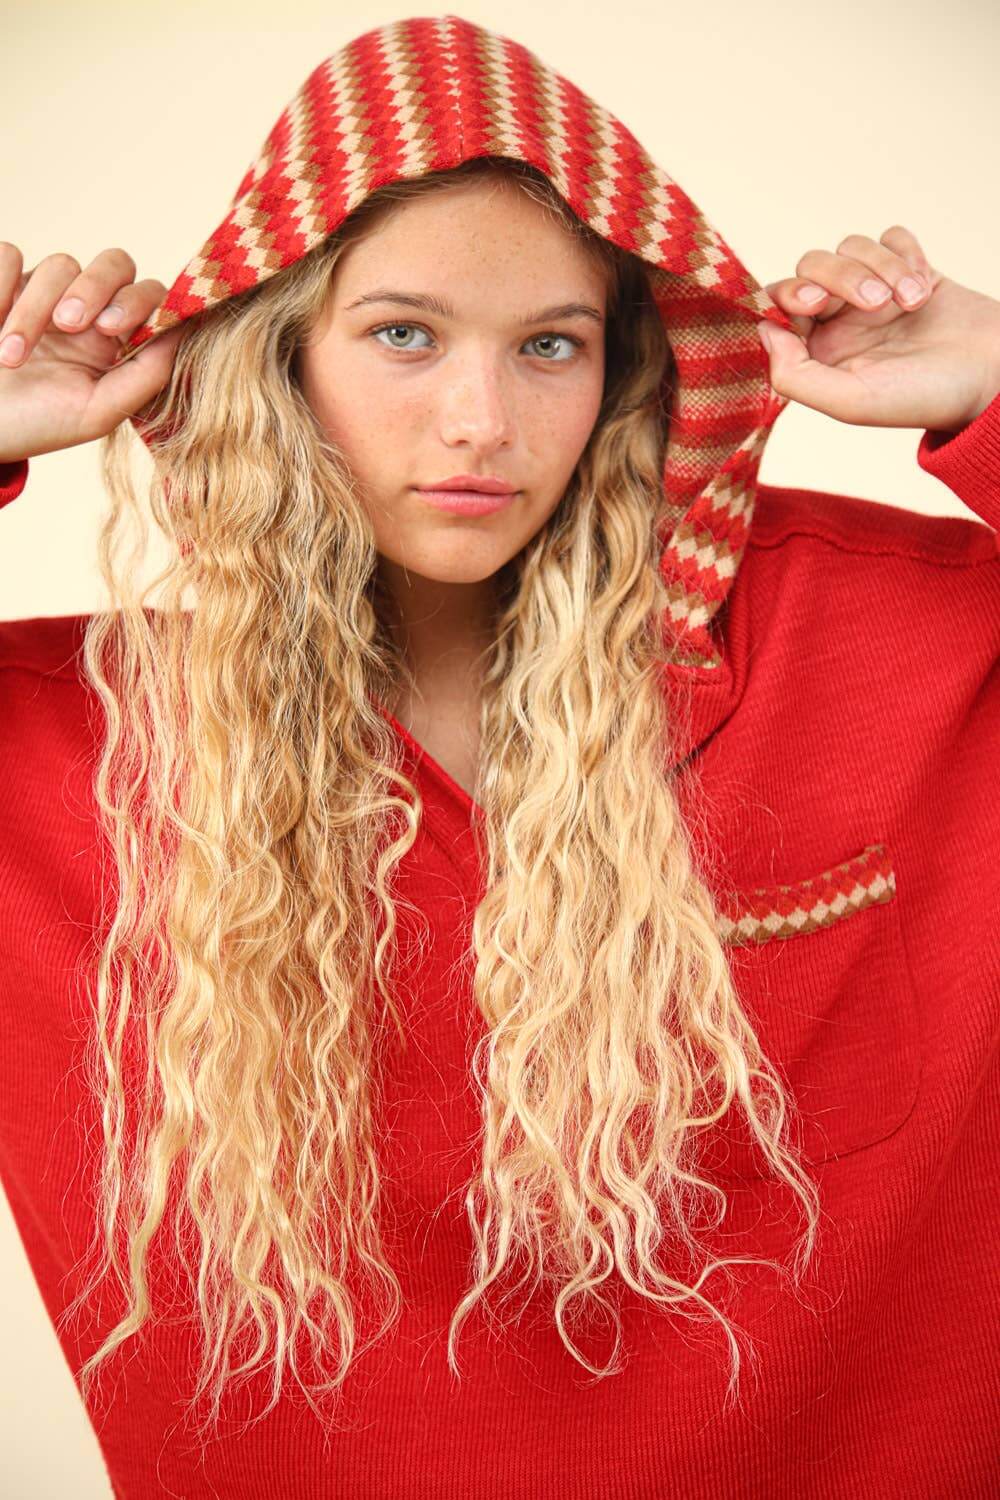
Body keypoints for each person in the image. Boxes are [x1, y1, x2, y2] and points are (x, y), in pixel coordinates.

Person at [0, 14, 998, 1498]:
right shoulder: (73, 752)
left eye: (551, 345)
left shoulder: (886, 635)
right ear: (275, 356)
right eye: (402, 333)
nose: (482, 423)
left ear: (631, 369)